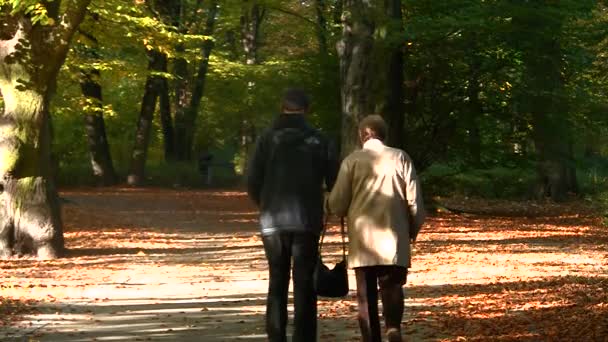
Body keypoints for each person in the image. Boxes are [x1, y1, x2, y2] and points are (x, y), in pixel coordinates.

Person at [247, 88, 338, 342]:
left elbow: (253, 180)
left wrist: (264, 205)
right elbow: (334, 182)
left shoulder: (267, 138)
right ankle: (304, 338)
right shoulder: (320, 140)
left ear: (282, 107)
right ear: (307, 110)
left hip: (273, 221)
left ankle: (276, 337)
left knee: (277, 280)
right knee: (305, 282)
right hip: (306, 219)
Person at [327, 114, 426, 342]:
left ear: (362, 135)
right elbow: (415, 202)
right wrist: (411, 231)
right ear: (385, 134)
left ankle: (371, 338)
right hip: (394, 236)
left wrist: (327, 203)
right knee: (392, 286)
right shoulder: (401, 157)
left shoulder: (351, 161)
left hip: (363, 240)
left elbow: (338, 204)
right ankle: (393, 328)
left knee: (366, 295)